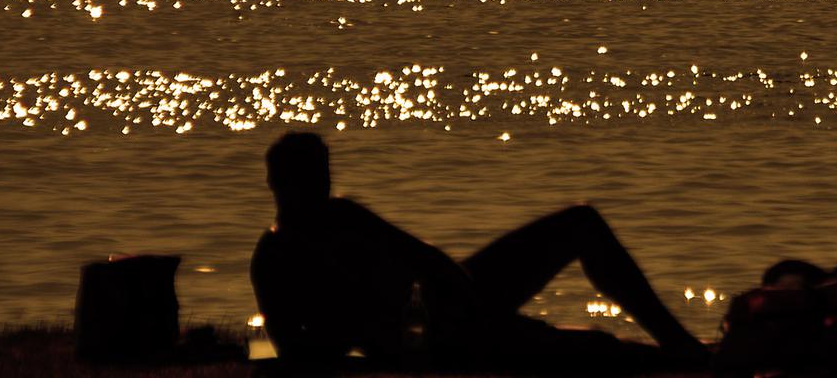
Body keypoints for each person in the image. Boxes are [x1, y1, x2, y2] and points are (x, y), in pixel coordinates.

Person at [249, 131, 707, 369]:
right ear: (280, 184)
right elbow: (295, 350)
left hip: (458, 300)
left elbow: (424, 255)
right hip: (430, 340)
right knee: (594, 350)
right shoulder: (275, 256)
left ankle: (677, 342)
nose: (323, 185)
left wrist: (464, 293)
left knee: (580, 222)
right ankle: (676, 358)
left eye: (324, 173)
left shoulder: (344, 214)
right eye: (312, 176)